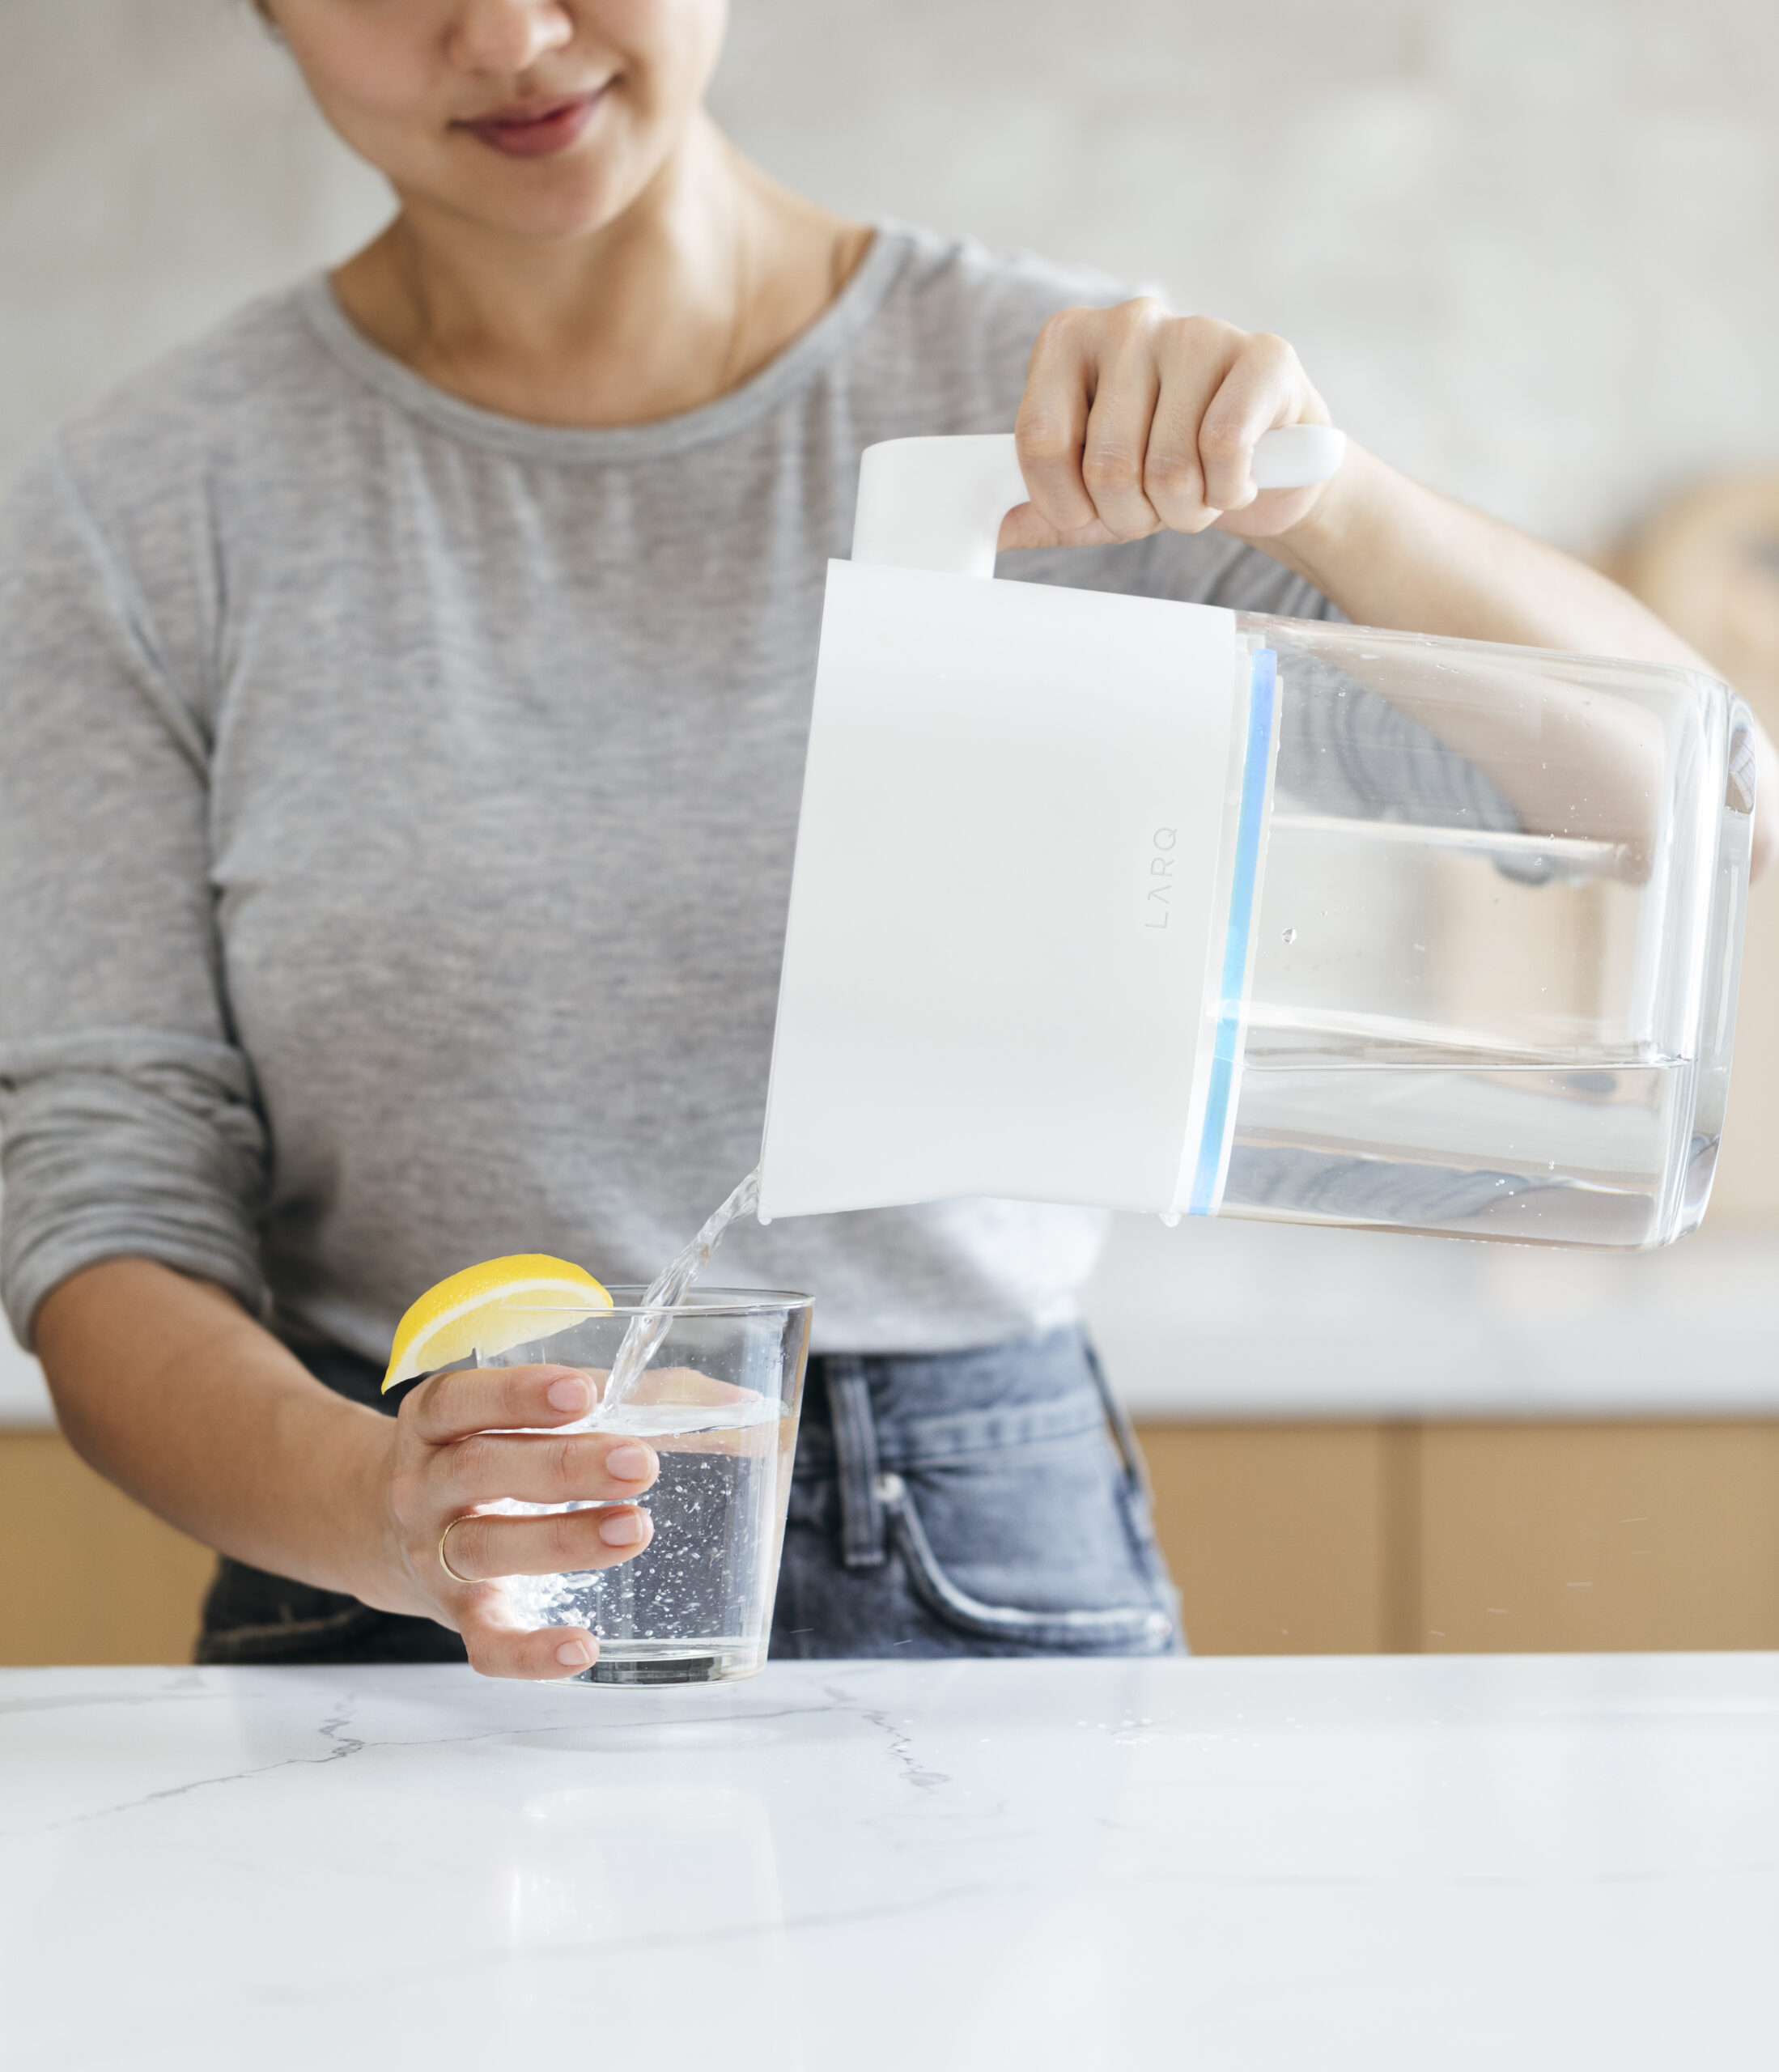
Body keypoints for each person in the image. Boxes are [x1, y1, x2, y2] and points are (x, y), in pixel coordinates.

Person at [1, 0, 1766, 1680]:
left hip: (969, 1536)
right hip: (370, 1534)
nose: (512, 35)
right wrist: (381, 1506)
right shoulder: (141, 512)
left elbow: (1689, 811)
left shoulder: (1069, 417)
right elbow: (106, 1202)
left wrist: (1336, 495)